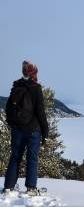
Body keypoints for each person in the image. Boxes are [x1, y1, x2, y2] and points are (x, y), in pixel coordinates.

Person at [2, 60, 49, 195]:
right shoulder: (36, 88)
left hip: (17, 129)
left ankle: (8, 186)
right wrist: (45, 132)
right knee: (32, 157)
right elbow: (40, 112)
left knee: (15, 156)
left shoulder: (17, 85)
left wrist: (13, 124)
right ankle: (31, 188)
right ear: (34, 73)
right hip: (33, 130)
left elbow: (8, 107)